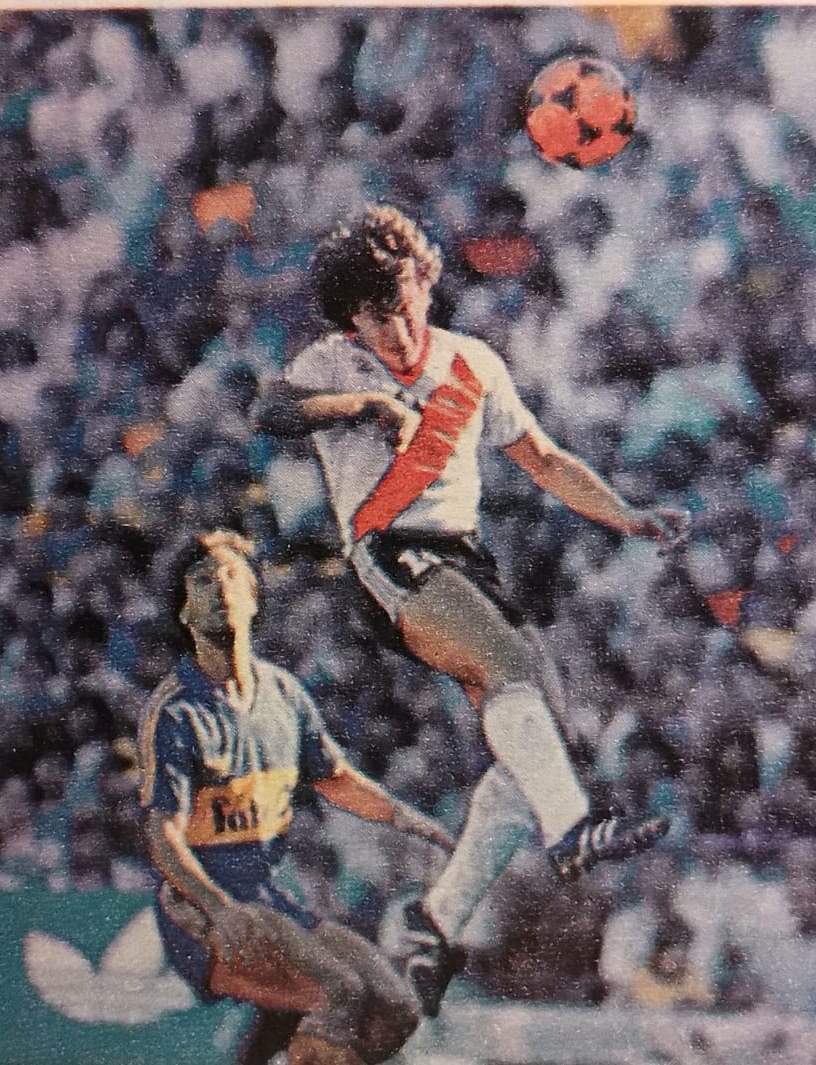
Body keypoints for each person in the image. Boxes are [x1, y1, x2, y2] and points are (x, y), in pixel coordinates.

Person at [255, 204, 686, 1014]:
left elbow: (545, 461)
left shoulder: (472, 362)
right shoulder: (335, 364)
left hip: (465, 559)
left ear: (425, 284)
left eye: (402, 306)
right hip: (389, 551)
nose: (395, 331)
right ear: (351, 320)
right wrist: (364, 406)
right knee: (514, 671)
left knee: (535, 737)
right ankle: (572, 828)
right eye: (375, 318)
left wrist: (625, 514)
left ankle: (437, 919)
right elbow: (269, 413)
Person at [139, 530, 456, 1065]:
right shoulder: (176, 712)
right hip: (204, 909)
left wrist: (410, 820)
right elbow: (162, 834)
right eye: (202, 580)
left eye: (231, 575)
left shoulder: (284, 693)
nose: (219, 587)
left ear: (254, 596)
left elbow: (336, 779)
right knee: (340, 992)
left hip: (272, 901)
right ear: (185, 612)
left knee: (396, 1010)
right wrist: (218, 909)